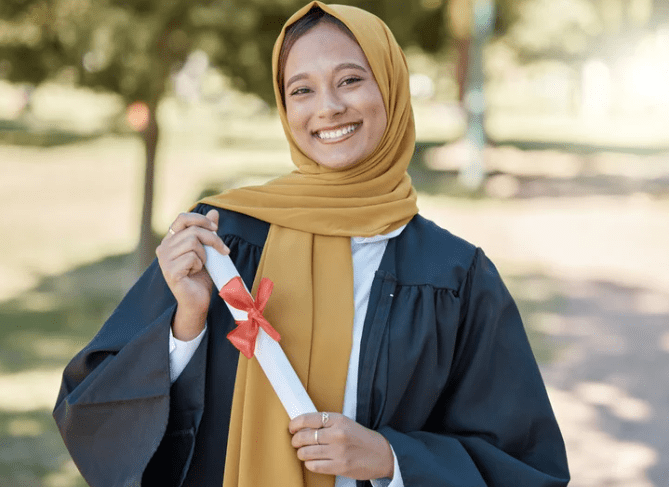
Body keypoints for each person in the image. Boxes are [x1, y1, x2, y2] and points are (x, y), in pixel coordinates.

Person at [54, 2, 570, 486]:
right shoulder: (224, 241)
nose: (328, 108)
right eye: (301, 90)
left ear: (390, 87)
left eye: (350, 80)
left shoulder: (454, 276)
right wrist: (184, 325)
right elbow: (93, 414)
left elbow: (525, 466)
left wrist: (391, 460)